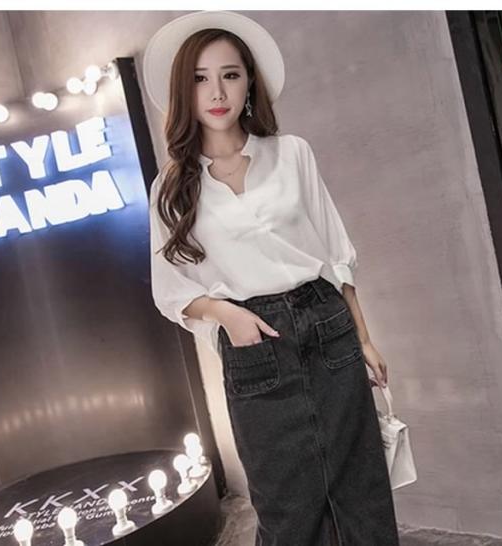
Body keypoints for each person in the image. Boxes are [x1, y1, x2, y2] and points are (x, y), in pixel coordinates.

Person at [143, 11, 401, 546]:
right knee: (287, 509)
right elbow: (172, 291)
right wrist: (227, 314)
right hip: (254, 343)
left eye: (230, 75)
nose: (217, 92)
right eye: (200, 78)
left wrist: (364, 338)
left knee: (362, 492)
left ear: (249, 84)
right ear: (183, 90)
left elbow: (336, 255)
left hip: (326, 325)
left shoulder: (291, 153)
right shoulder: (172, 187)